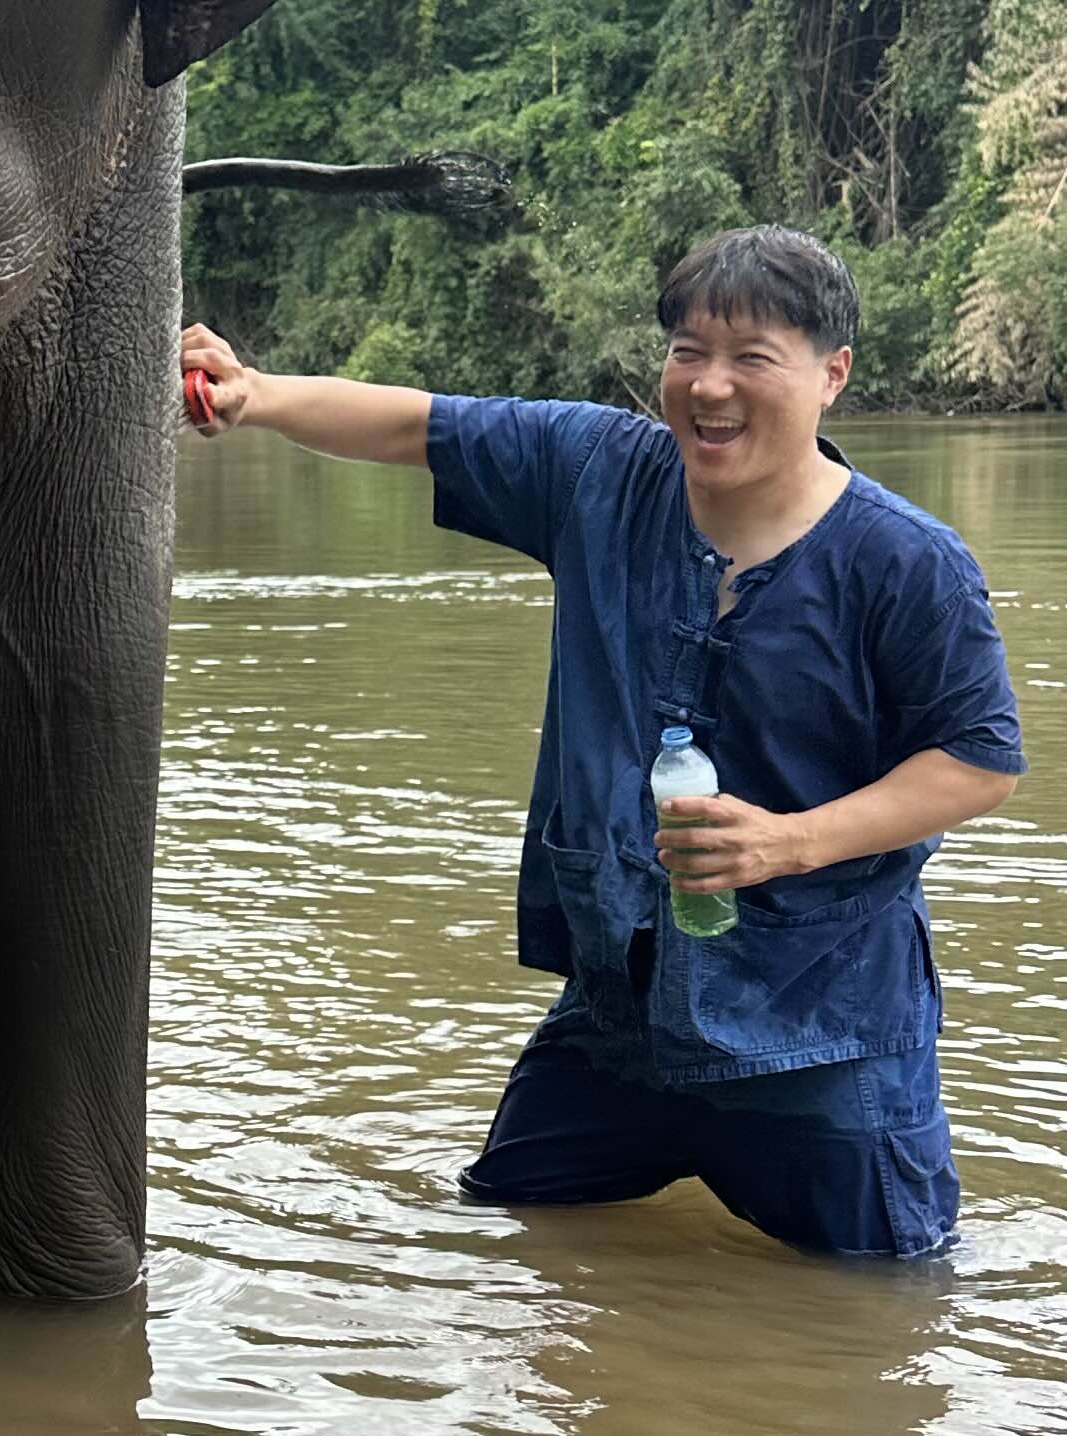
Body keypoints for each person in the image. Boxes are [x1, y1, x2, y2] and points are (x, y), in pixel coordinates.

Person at [181, 225, 1025, 1261]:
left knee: (885, 1302)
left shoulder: (908, 563)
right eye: (687, 351)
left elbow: (978, 760)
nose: (709, 386)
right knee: (506, 1232)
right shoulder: (600, 472)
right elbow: (417, 426)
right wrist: (257, 395)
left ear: (832, 374)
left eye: (751, 357)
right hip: (621, 1008)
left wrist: (787, 842)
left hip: (822, 1032)